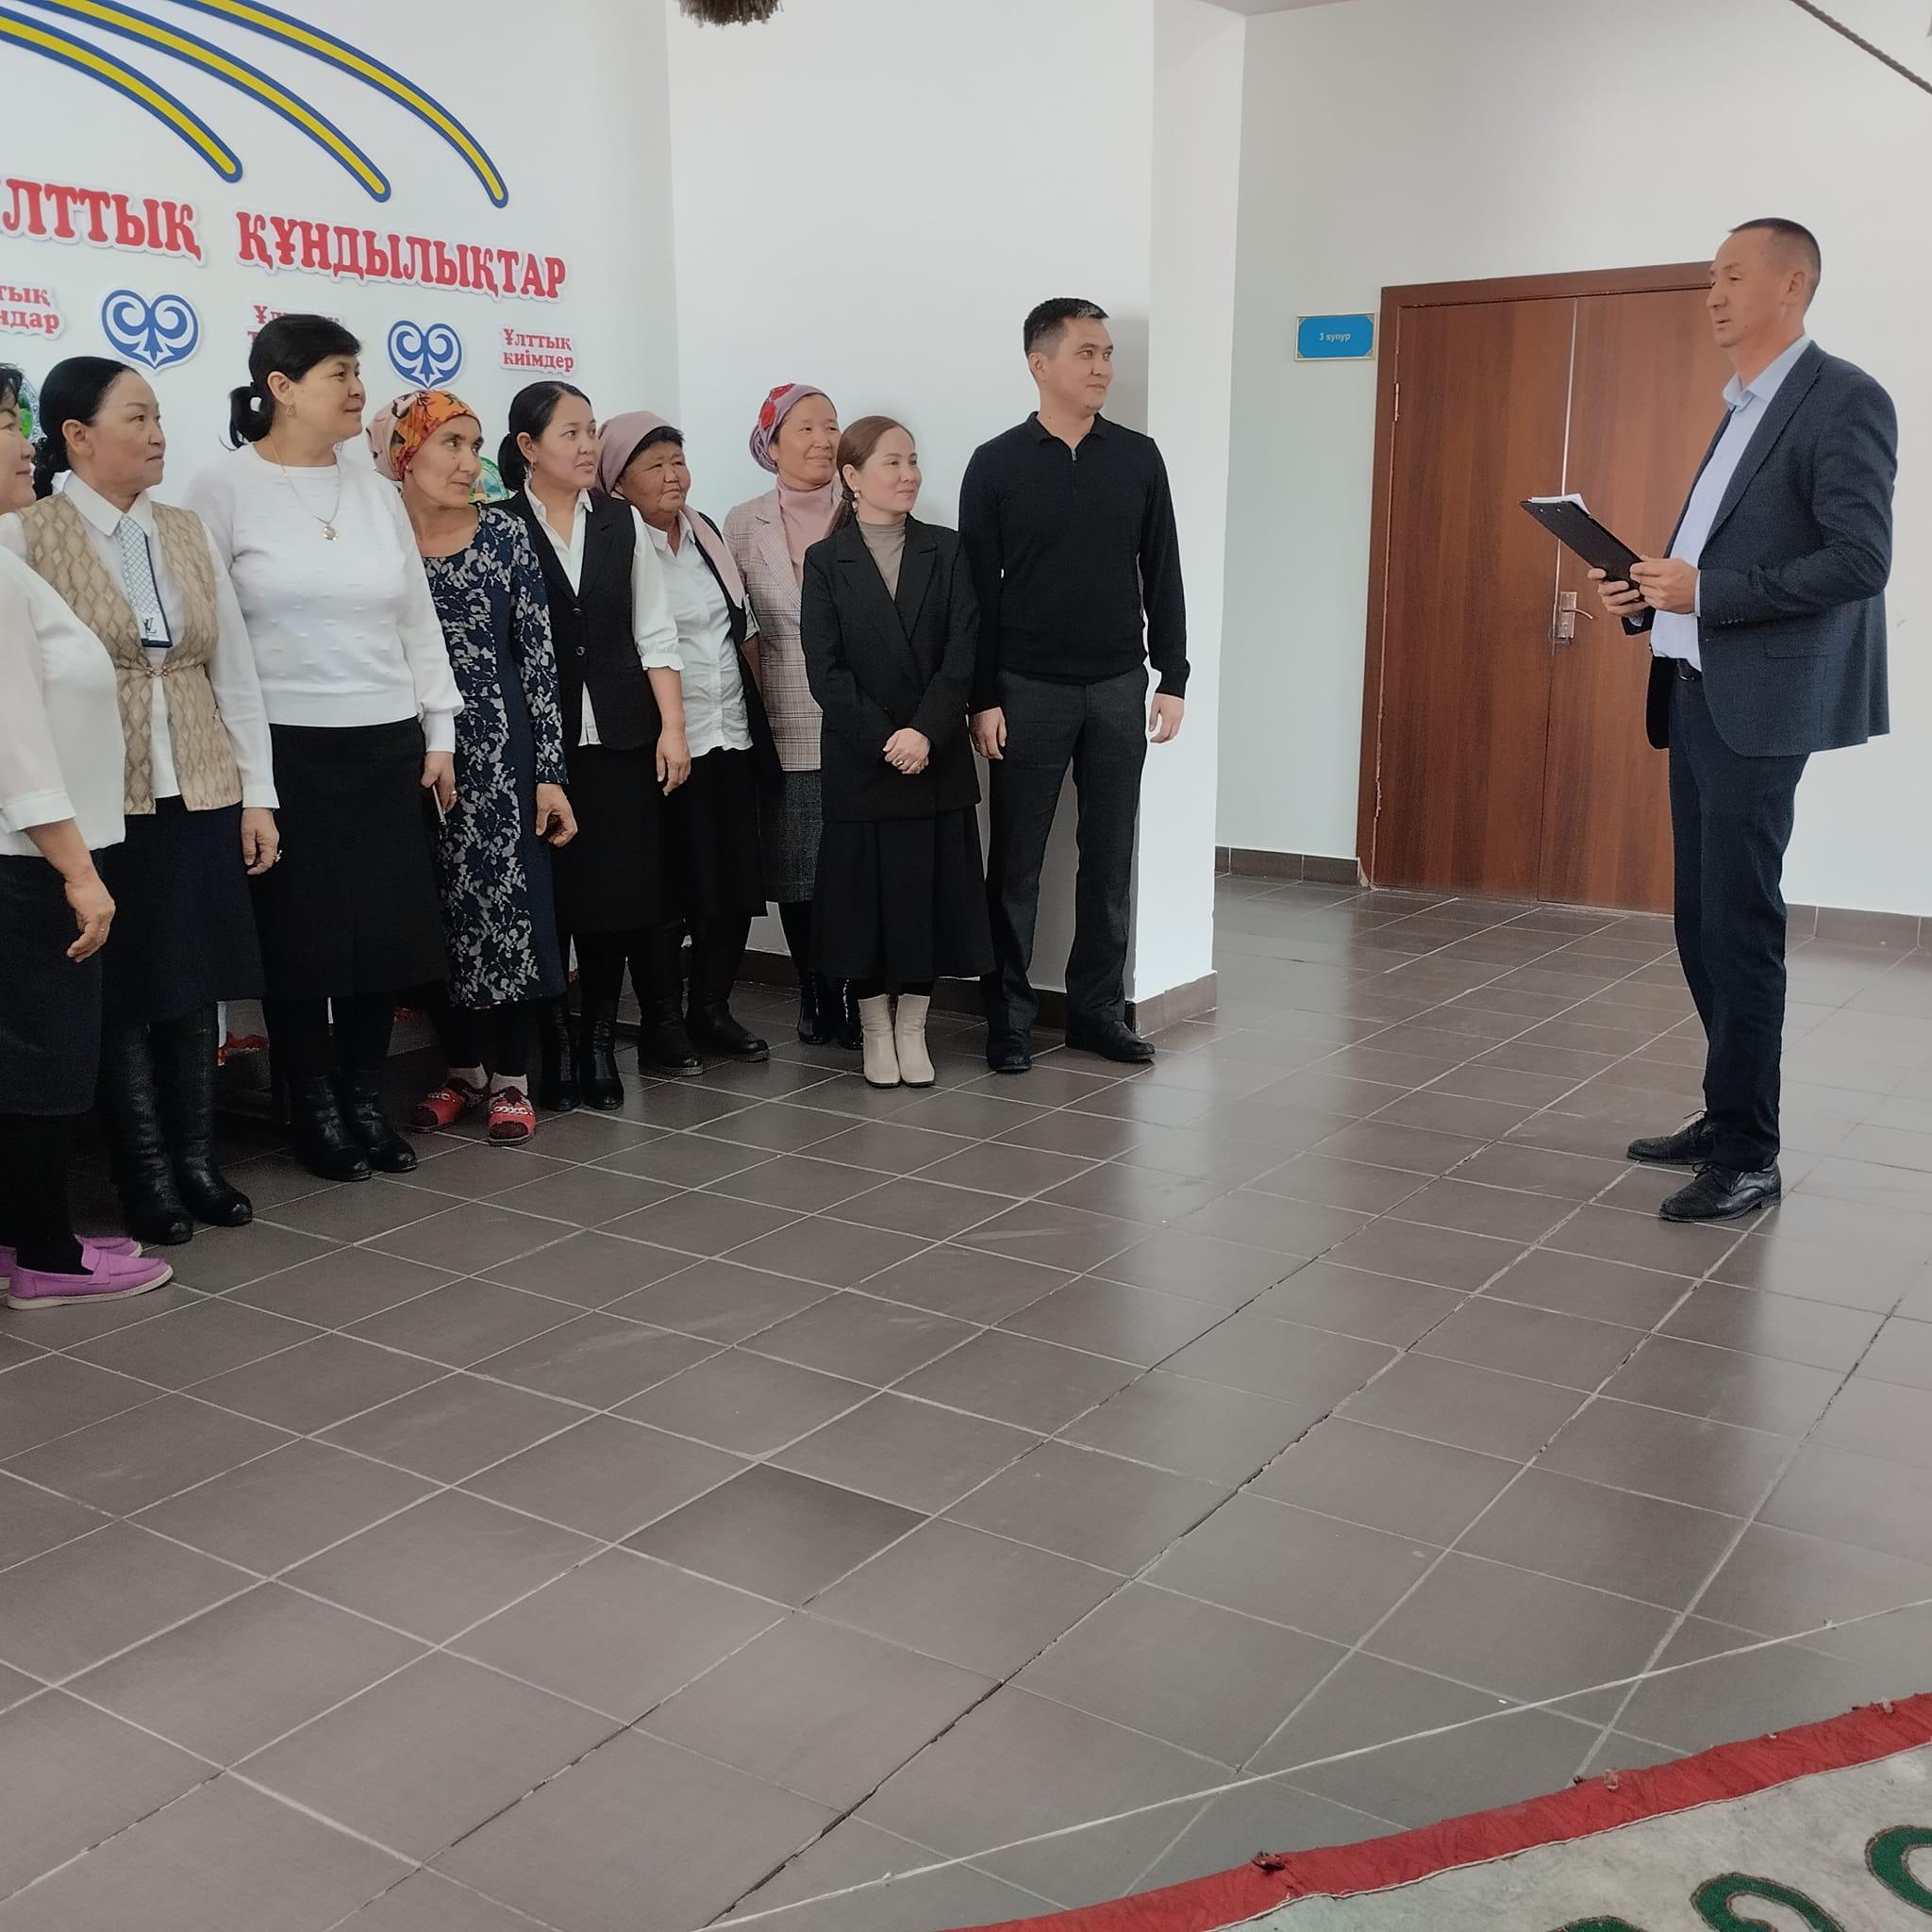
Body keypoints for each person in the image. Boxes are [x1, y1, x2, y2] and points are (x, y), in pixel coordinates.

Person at [1591, 220, 1895, 1224]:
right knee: (1699, 918)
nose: (1713, 295)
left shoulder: (1843, 398)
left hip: (1761, 705)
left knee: (1739, 922)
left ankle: (1749, 1153)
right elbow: (1715, 556)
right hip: (1694, 690)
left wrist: (1706, 592)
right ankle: (1727, 1113)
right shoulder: (1742, 407)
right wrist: (1649, 596)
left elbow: (1858, 561)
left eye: (1731, 276)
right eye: (1708, 279)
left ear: (1791, 285)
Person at [3, 357, 276, 1246]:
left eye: (160, 417)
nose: (159, 435)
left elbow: (234, 673)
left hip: (197, 784)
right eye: (137, 418)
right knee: (118, 989)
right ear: (76, 435)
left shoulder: (186, 531)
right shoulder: (27, 533)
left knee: (194, 978)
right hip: (97, 801)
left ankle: (198, 1161)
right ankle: (143, 1176)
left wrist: (257, 794)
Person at [185, 316, 462, 1184]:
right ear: (281, 386)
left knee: (385, 940)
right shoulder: (221, 489)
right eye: (339, 373)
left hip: (384, 742)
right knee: (300, 946)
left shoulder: (375, 492)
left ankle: (363, 1099)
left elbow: (416, 618)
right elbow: (220, 648)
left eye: (356, 371)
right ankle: (310, 1108)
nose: (357, 389)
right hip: (285, 747)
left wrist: (439, 729)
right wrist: (253, 783)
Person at [962, 298, 1189, 1075]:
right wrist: (982, 697)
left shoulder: (1138, 458)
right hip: (1025, 688)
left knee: (1110, 858)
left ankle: (1097, 1013)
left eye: (1108, 354)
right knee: (1015, 865)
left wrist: (1174, 675)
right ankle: (1009, 1021)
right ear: (1040, 363)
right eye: (1087, 353)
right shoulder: (996, 464)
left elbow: (1163, 570)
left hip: (1120, 686)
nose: (1102, 368)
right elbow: (977, 594)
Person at [0, 364, 172, 1308]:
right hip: (32, 860)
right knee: (45, 1064)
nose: (24, 443)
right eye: (6, 425)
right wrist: (78, 870)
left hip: (37, 854)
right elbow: (17, 743)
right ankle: (46, 1257)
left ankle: (26, 1240)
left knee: (29, 1059)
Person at [373, 390, 576, 1143]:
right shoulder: (375, 536)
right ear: (406, 453)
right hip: (405, 751)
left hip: (500, 751)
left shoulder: (505, 535)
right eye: (450, 444)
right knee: (433, 911)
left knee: (507, 909)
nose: (468, 463)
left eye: (475, 445)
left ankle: (512, 1080)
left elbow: (539, 662)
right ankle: (461, 1070)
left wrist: (549, 773)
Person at [502, 382, 689, 1108]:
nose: (587, 446)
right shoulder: (499, 526)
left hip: (620, 738)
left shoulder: (619, 521)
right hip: (536, 747)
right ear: (528, 447)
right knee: (551, 901)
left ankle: (599, 1043)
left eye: (591, 431)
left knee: (616, 900)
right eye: (571, 433)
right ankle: (555, 1044)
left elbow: (655, 632)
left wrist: (672, 728)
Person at [800, 416, 992, 1089]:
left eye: (913, 460)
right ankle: (875, 1031)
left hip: (933, 758)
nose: (909, 474)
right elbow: (825, 671)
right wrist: (888, 738)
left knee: (925, 901)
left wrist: (925, 732)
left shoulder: (948, 548)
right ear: (852, 477)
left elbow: (963, 652)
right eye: (892, 462)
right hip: (864, 761)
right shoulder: (826, 561)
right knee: (864, 907)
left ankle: (913, 1028)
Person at [601, 411, 777, 1063]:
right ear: (618, 481)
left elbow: (740, 628)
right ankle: (662, 1021)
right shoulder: (614, 543)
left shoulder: (704, 532)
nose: (673, 476)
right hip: (660, 742)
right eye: (654, 465)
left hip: (728, 730)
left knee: (730, 883)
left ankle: (712, 1009)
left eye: (678, 460)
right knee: (665, 888)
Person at [723, 384, 861, 1052]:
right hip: (785, 712)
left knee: (858, 866)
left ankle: (855, 990)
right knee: (801, 867)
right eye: (805, 428)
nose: (823, 440)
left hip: (862, 716)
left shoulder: (865, 508)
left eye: (830, 426)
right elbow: (739, 625)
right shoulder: (741, 522)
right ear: (772, 445)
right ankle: (815, 988)